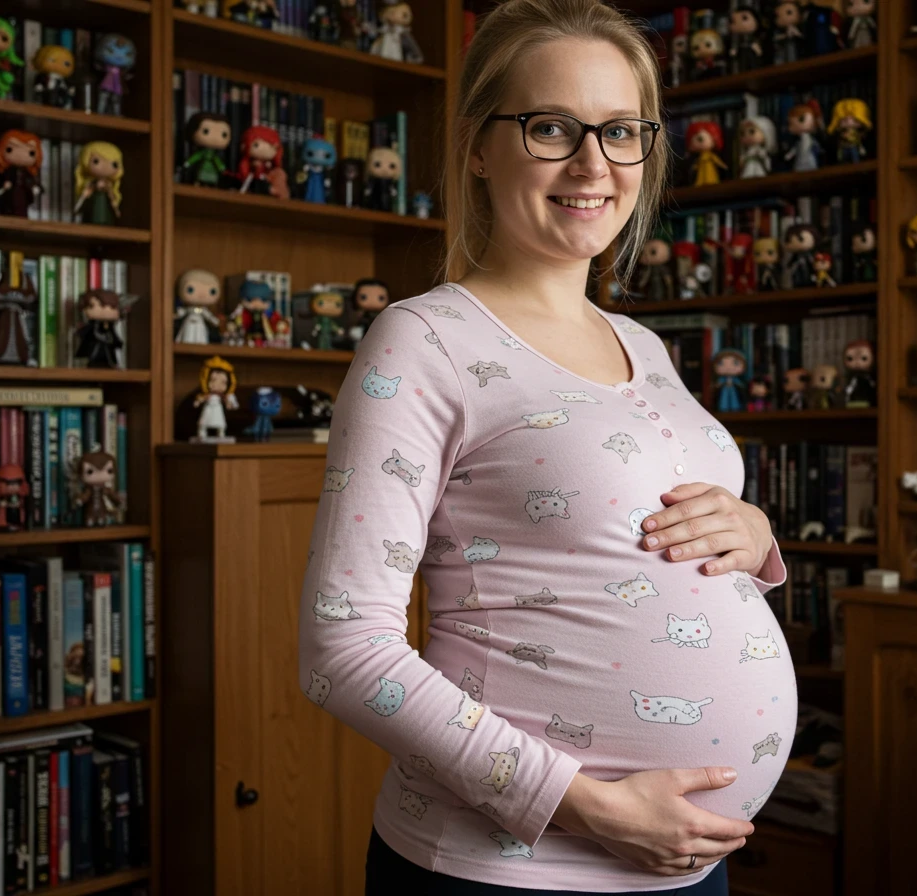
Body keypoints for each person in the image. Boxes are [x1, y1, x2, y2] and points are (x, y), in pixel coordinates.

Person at [297, 0, 793, 893]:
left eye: (621, 131)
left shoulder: (642, 345)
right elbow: (343, 649)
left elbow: (618, 549)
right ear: (479, 147)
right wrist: (590, 805)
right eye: (552, 127)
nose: (594, 164)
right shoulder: (424, 341)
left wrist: (755, 541)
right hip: (510, 870)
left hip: (684, 867)